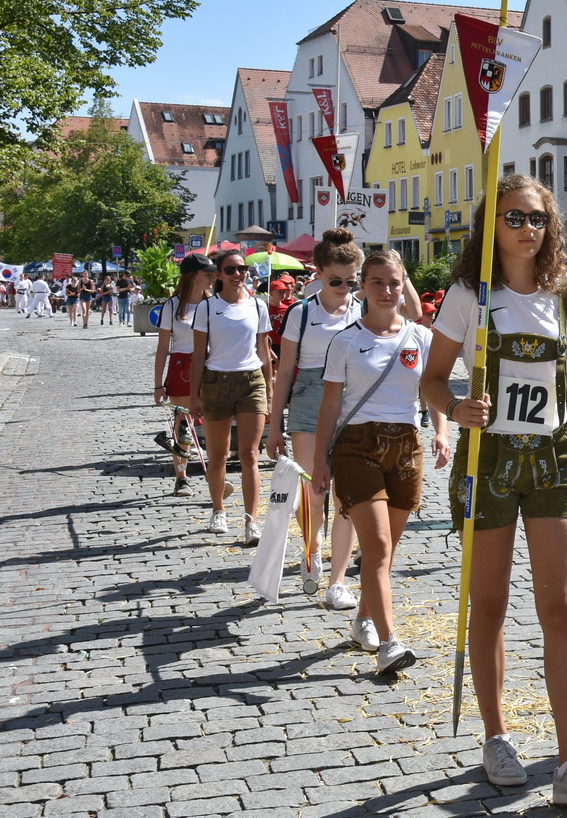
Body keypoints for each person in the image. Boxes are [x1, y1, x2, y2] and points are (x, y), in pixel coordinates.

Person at [421, 174, 567, 805]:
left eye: (537, 218)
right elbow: (431, 380)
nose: (527, 229)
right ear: (491, 226)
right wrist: (455, 408)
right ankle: (497, 735)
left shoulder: (566, 295)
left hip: (554, 460)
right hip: (489, 461)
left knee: (561, 608)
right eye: (513, 218)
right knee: (491, 604)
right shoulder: (469, 295)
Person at [311, 250, 447, 674]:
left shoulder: (421, 337)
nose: (387, 291)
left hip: (406, 446)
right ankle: (390, 642)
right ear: (362, 287)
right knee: (378, 546)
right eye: (377, 282)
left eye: (394, 282)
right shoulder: (345, 341)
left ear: (403, 285)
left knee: (384, 553)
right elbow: (329, 406)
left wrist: (442, 430)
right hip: (357, 446)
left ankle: (363, 621)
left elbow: (434, 389)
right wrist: (320, 461)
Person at [268, 230, 366, 609]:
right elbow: (284, 371)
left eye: (351, 281)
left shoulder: (363, 311)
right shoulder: (302, 312)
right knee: (314, 488)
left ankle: (337, 581)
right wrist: (274, 426)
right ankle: (312, 549)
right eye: (335, 281)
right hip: (309, 397)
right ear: (319, 273)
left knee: (347, 496)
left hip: (351, 400)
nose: (344, 289)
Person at [187, 250, 272, 541]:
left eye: (242, 269)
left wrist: (270, 390)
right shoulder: (207, 308)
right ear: (219, 274)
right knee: (218, 454)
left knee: (250, 454)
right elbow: (199, 355)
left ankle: (251, 521)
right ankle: (218, 509)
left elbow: (264, 351)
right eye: (231, 269)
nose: (238, 274)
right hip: (216, 382)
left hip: (251, 381)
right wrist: (194, 395)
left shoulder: (258, 305)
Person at [152, 254, 214, 497]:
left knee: (213, 422)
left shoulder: (215, 302)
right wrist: (158, 385)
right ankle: (182, 477)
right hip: (181, 366)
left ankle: (215, 474)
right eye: (207, 273)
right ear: (192, 277)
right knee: (183, 425)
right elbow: (162, 347)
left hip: (211, 364)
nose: (212, 277)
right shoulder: (172, 306)